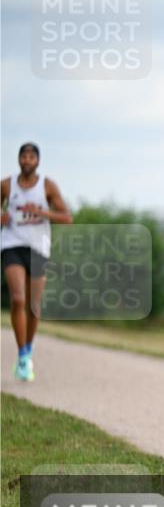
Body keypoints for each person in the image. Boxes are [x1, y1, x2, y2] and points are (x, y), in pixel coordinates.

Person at [1, 142, 72, 381]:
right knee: (18, 298)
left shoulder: (47, 186)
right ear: (19, 159)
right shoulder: (7, 185)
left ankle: (28, 348)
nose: (27, 161)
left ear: (38, 161)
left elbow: (67, 218)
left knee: (33, 304)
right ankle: (22, 355)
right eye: (24, 156)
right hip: (12, 244)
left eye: (32, 157)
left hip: (39, 247)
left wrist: (43, 213)